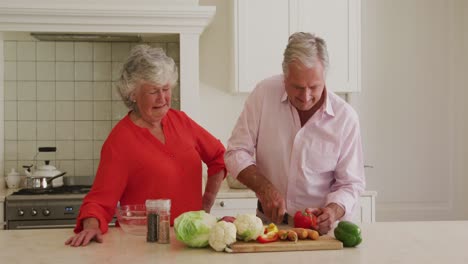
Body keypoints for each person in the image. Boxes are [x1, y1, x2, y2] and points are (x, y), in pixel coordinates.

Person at [65, 45, 226, 247]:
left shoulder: (181, 121)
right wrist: (91, 226)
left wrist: (207, 202)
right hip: (145, 246)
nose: (162, 98)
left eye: (166, 89)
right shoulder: (120, 141)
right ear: (133, 94)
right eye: (153, 91)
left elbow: (218, 157)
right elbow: (99, 201)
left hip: (189, 243)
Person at [224, 32, 365, 235]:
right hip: (270, 226)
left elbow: (351, 183)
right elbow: (236, 152)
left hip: (320, 232)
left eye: (314, 87)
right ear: (284, 77)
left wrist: (333, 212)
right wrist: (264, 188)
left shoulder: (345, 118)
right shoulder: (264, 94)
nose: (306, 97)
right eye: (297, 87)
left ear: (324, 75)